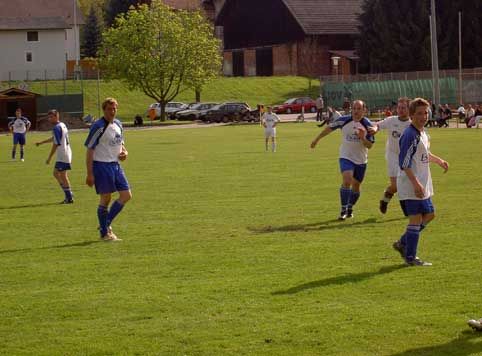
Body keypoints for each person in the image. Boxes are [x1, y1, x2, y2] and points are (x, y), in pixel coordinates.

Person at [392, 98, 449, 266]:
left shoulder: (422, 133)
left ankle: (403, 242)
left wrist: (439, 161)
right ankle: (411, 258)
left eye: (426, 112)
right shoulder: (410, 135)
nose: (423, 116)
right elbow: (404, 162)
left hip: (422, 183)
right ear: (411, 115)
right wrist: (416, 184)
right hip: (411, 185)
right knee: (416, 219)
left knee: (430, 215)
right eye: (419, 113)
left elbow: (424, 154)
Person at [310, 100, 375, 220]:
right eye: (354, 108)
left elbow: (370, 145)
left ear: (364, 110)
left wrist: (362, 138)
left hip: (361, 160)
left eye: (358, 109)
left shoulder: (368, 125)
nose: (355, 111)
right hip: (346, 156)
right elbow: (329, 128)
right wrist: (316, 139)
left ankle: (350, 207)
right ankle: (343, 209)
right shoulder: (344, 120)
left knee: (356, 187)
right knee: (347, 179)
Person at [85, 98, 132, 241]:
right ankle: (104, 234)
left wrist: (125, 152)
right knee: (106, 199)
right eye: (109, 109)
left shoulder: (118, 124)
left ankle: (105, 225)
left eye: (114, 109)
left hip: (116, 165)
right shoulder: (98, 126)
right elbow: (90, 150)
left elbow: (121, 143)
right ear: (104, 110)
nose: (112, 112)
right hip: (102, 166)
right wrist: (89, 174)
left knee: (126, 195)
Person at [368, 97, 411, 214]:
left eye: (403, 108)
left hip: (406, 157)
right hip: (392, 155)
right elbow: (378, 125)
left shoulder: (412, 124)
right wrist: (375, 129)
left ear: (409, 109)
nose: (400, 110)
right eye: (399, 107)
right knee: (396, 186)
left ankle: (392, 201)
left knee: (406, 184)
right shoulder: (392, 120)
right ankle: (387, 201)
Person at [35, 110, 74, 204]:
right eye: (49, 117)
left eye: (51, 117)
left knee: (62, 175)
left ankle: (69, 197)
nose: (49, 119)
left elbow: (56, 144)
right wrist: (42, 142)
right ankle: (69, 194)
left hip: (63, 154)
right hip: (65, 153)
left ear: (57, 116)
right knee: (56, 173)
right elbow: (54, 138)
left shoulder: (57, 128)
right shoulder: (62, 125)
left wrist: (49, 157)